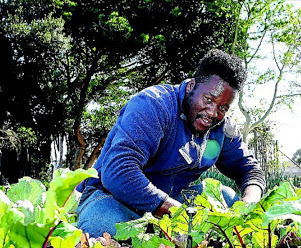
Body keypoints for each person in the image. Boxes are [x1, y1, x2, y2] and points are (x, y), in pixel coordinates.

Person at [76, 49, 265, 237]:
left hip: (173, 200)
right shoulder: (153, 105)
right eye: (208, 99)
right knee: (102, 227)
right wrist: (180, 214)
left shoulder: (222, 128)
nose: (213, 113)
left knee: (228, 198)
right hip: (114, 197)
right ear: (191, 86)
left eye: (223, 107)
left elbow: (249, 170)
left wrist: (248, 204)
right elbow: (119, 171)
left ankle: (163, 233)